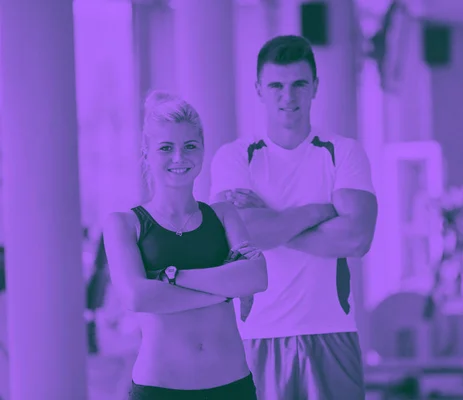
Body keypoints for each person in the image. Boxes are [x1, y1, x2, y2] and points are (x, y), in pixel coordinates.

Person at [209, 35, 378, 400]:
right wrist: (319, 212)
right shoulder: (234, 157)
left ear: (315, 87)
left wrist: (268, 224)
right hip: (255, 337)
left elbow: (357, 238)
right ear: (259, 90)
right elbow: (235, 234)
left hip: (332, 332)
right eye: (276, 86)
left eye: (299, 84)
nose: (288, 97)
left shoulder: (343, 153)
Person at [103, 91, 267, 400]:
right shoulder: (123, 224)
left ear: (202, 150)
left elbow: (257, 278)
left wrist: (170, 277)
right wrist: (226, 287)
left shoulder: (224, 214)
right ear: (146, 152)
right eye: (166, 148)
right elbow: (137, 297)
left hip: (233, 385)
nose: (179, 157)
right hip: (159, 389)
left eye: (190, 146)